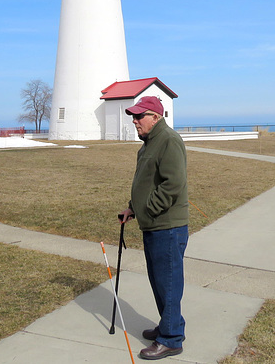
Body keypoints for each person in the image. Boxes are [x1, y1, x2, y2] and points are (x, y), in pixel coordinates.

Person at [119, 95, 189, 361]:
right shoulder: (148, 143)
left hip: (167, 226)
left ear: (155, 117)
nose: (134, 121)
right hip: (153, 224)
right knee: (160, 281)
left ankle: (171, 339)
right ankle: (169, 324)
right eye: (133, 117)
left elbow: (172, 184)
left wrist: (147, 209)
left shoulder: (169, 141)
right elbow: (146, 182)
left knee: (168, 283)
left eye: (139, 116)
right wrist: (132, 208)